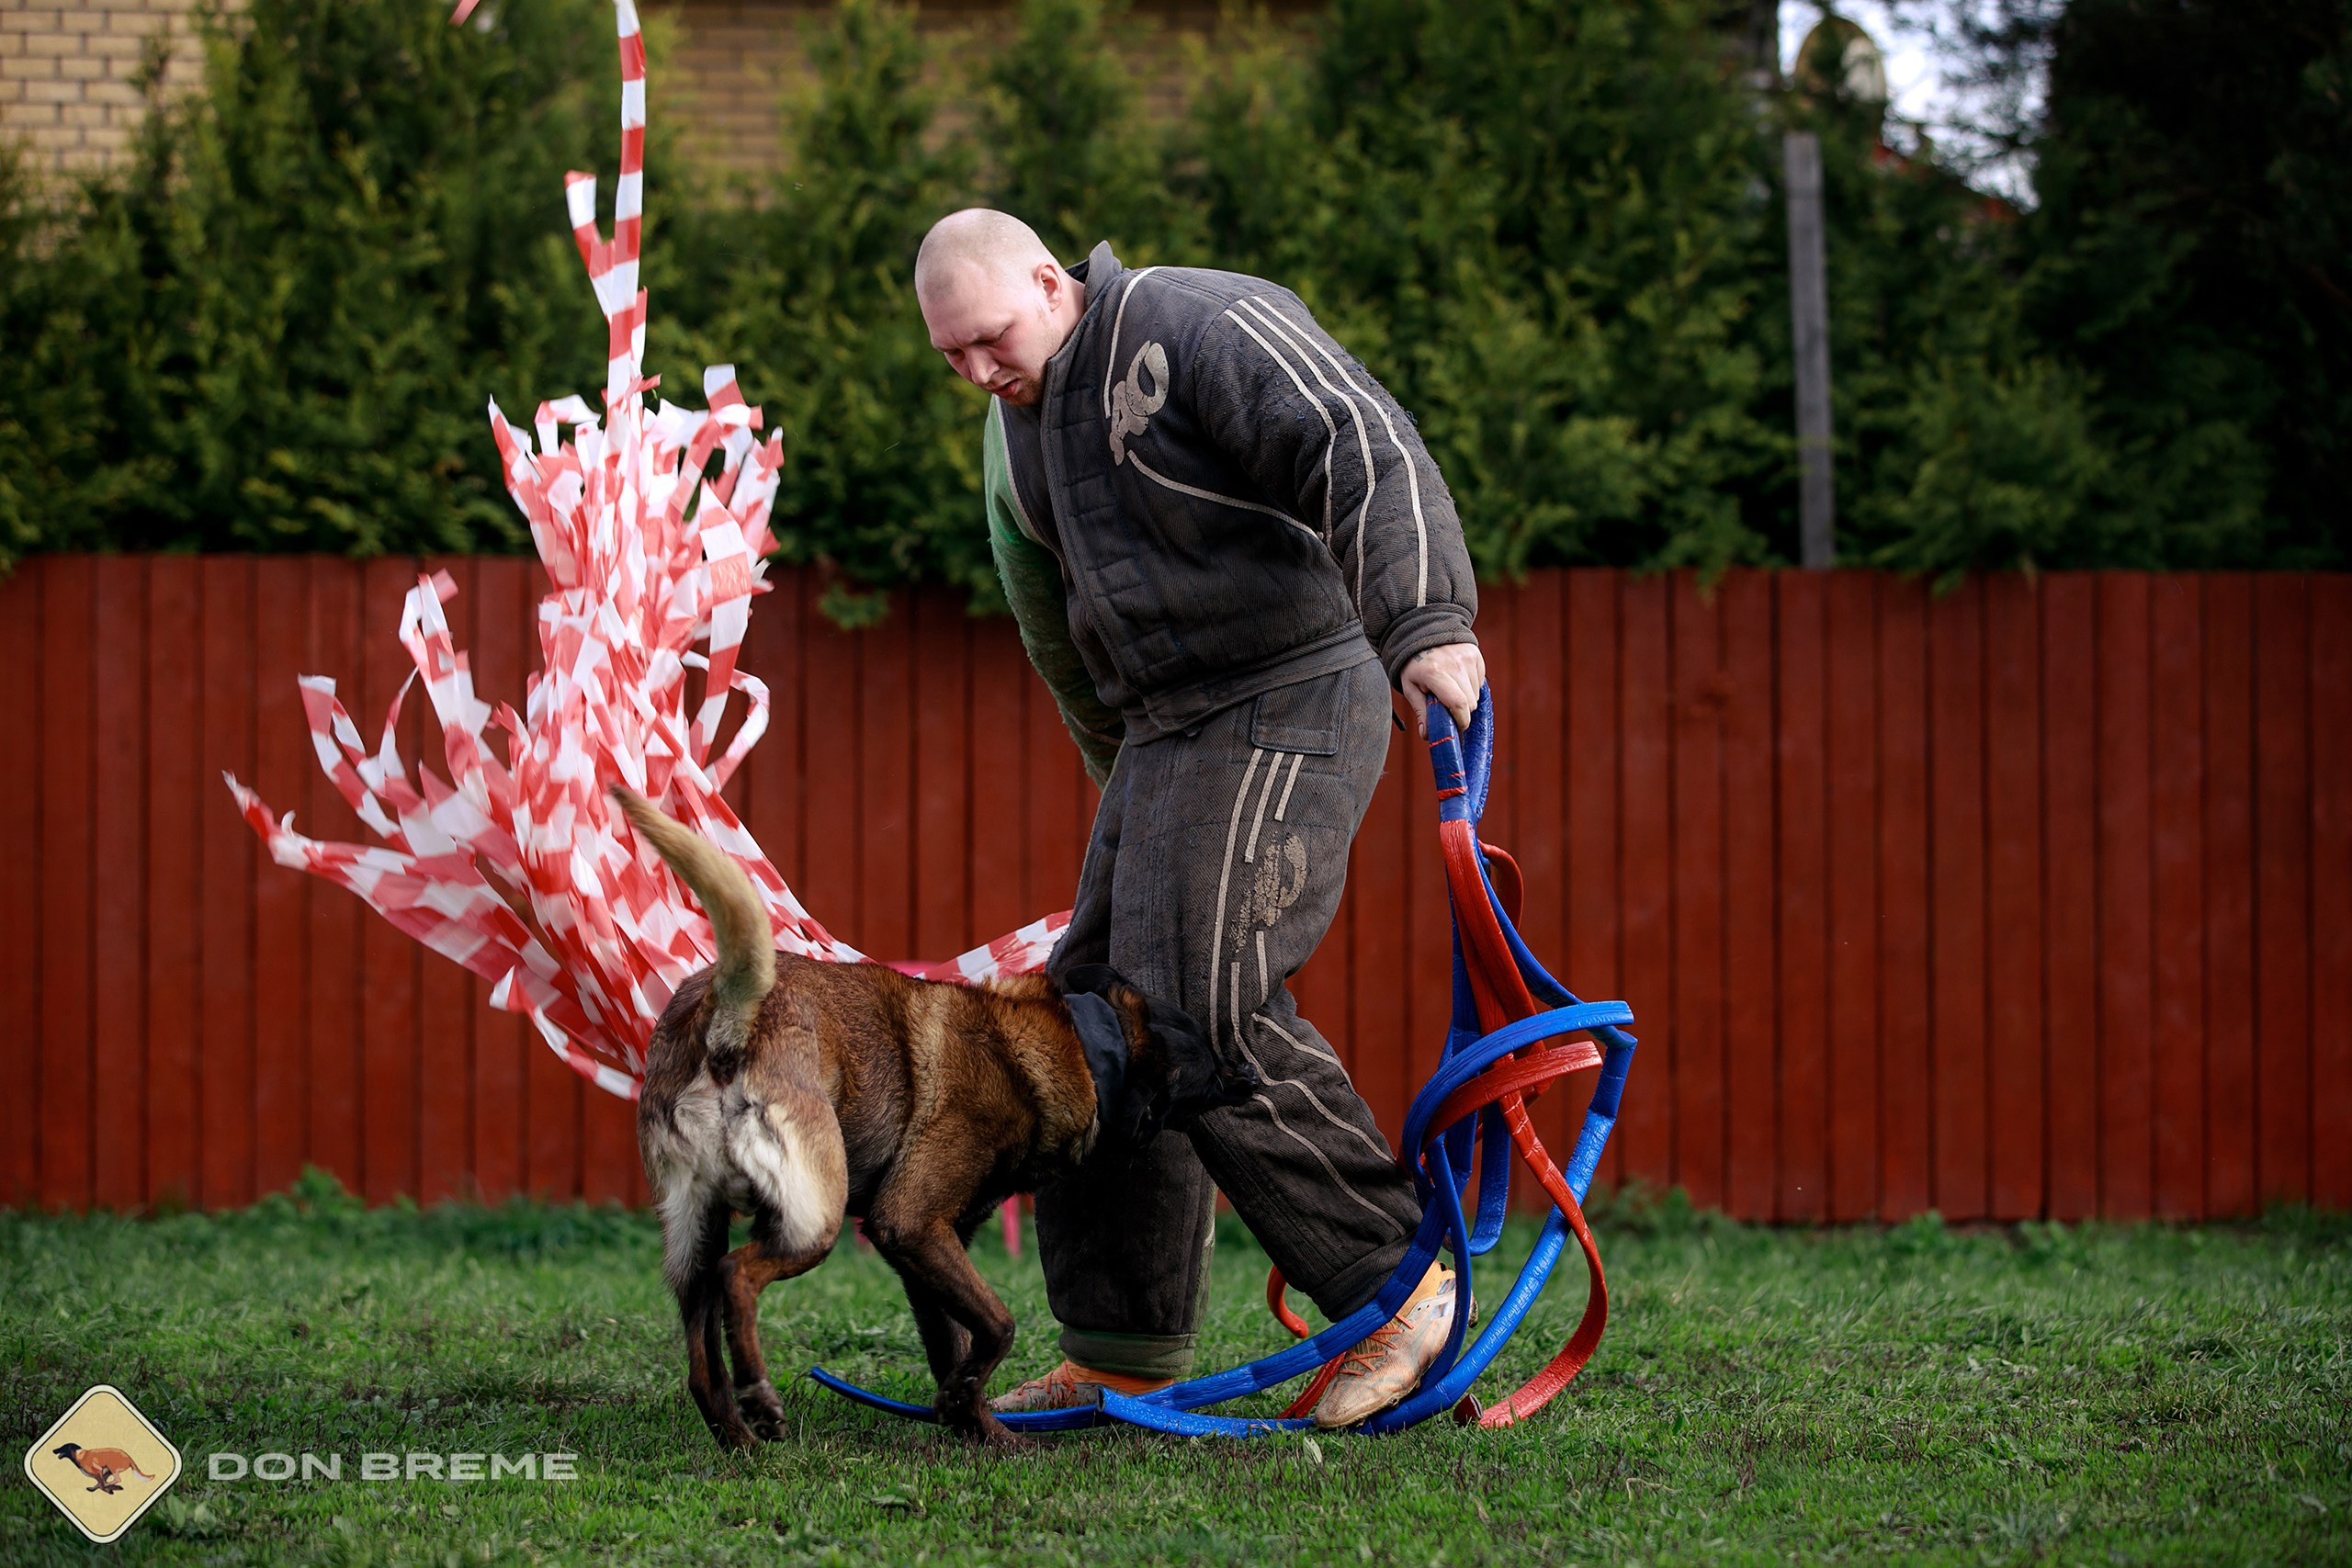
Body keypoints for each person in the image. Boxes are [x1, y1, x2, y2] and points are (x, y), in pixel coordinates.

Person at [914, 209, 1487, 1427]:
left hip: (1294, 686)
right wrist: (1128, 782)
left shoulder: (1195, 322)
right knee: (1087, 1018)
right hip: (1169, 729)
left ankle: (1400, 1294)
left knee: (1195, 1002)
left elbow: (1357, 436)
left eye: (990, 337)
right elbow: (1053, 625)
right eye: (950, 355)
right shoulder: (1018, 436)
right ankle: (1121, 1347)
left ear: (1050, 283)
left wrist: (1426, 622)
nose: (977, 370)